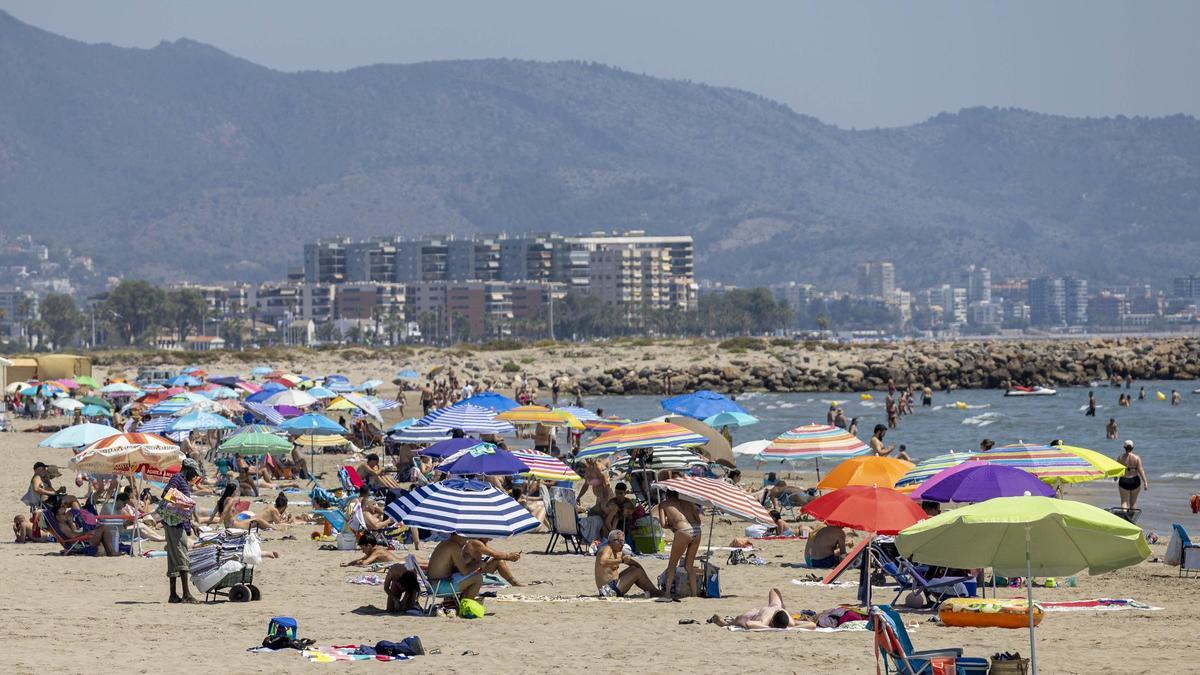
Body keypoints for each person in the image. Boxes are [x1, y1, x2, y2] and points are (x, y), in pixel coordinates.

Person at [160, 458, 202, 603]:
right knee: (182, 556)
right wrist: (185, 502)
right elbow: (166, 494)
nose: (194, 476)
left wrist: (192, 524)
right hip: (175, 524)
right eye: (194, 473)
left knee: (173, 558)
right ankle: (186, 594)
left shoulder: (182, 480)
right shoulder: (178, 479)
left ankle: (173, 595)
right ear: (188, 469)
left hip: (178, 524)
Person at [660, 489, 703, 598]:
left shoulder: (664, 504)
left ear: (667, 495)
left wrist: (674, 525)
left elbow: (663, 524)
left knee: (672, 565)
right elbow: (698, 521)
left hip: (683, 532)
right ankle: (694, 594)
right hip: (697, 530)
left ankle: (667, 593)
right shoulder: (688, 502)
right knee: (689, 565)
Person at [594, 530, 660, 597]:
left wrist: (639, 568)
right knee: (637, 572)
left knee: (635, 568)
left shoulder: (618, 552)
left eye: (623, 541)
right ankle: (654, 592)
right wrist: (622, 560)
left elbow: (635, 564)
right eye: (618, 541)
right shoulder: (607, 548)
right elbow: (602, 561)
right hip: (608, 590)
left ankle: (654, 591)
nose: (621, 544)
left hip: (613, 585)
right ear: (610, 542)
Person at [707, 588, 808, 629]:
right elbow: (749, 624)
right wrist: (769, 627)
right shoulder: (766, 620)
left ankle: (727, 623)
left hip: (776, 607)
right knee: (739, 619)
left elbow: (812, 625)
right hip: (761, 612)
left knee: (774, 590)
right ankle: (727, 623)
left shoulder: (790, 622)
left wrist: (794, 626)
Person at [426, 533, 484, 601]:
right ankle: (464, 607)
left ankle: (459, 605)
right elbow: (464, 571)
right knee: (478, 578)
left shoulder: (445, 543)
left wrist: (469, 562)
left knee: (470, 577)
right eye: (465, 539)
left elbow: (450, 568)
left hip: (432, 585)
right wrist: (478, 564)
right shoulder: (453, 546)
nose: (466, 542)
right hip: (438, 587)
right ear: (459, 536)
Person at [1116, 440, 1148, 510]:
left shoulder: (1120, 457)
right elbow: (1141, 470)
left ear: (1124, 447)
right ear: (1132, 447)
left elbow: (1117, 470)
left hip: (1124, 480)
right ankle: (1131, 520)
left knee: (1124, 502)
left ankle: (1124, 518)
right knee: (1133, 503)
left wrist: (1115, 478)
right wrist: (1145, 482)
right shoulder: (1137, 458)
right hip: (1135, 480)